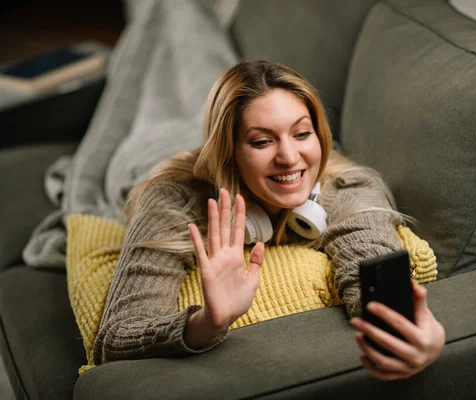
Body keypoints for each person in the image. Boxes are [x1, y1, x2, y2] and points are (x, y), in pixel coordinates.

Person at [93, 60, 445, 381]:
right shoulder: (176, 198)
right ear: (228, 152)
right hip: (147, 150)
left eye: (302, 133)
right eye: (262, 141)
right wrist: (207, 322)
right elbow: (116, 337)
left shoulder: (349, 187)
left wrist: (420, 334)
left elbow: (370, 267)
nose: (290, 158)